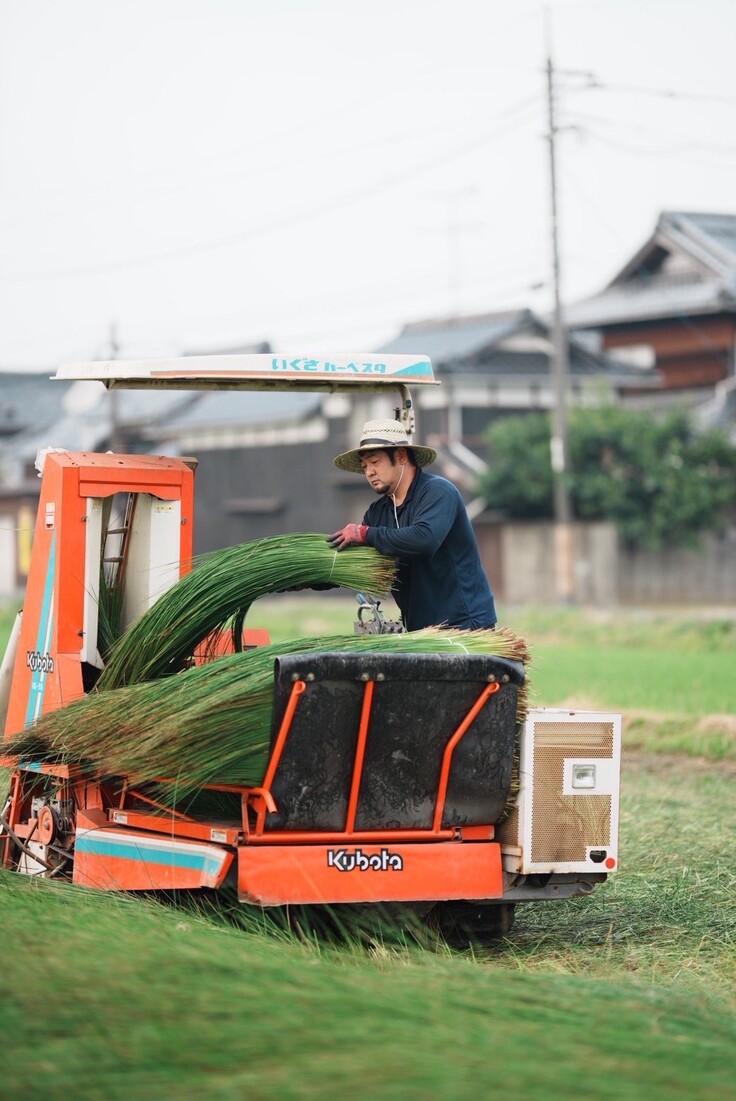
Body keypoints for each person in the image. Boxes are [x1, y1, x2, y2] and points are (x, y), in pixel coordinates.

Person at [328, 418, 497, 631]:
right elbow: (361, 564)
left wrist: (364, 534)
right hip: (420, 630)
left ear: (400, 456)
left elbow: (424, 539)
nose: (369, 472)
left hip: (465, 626)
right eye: (364, 466)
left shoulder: (438, 492)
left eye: (375, 462)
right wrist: (311, 578)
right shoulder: (377, 512)